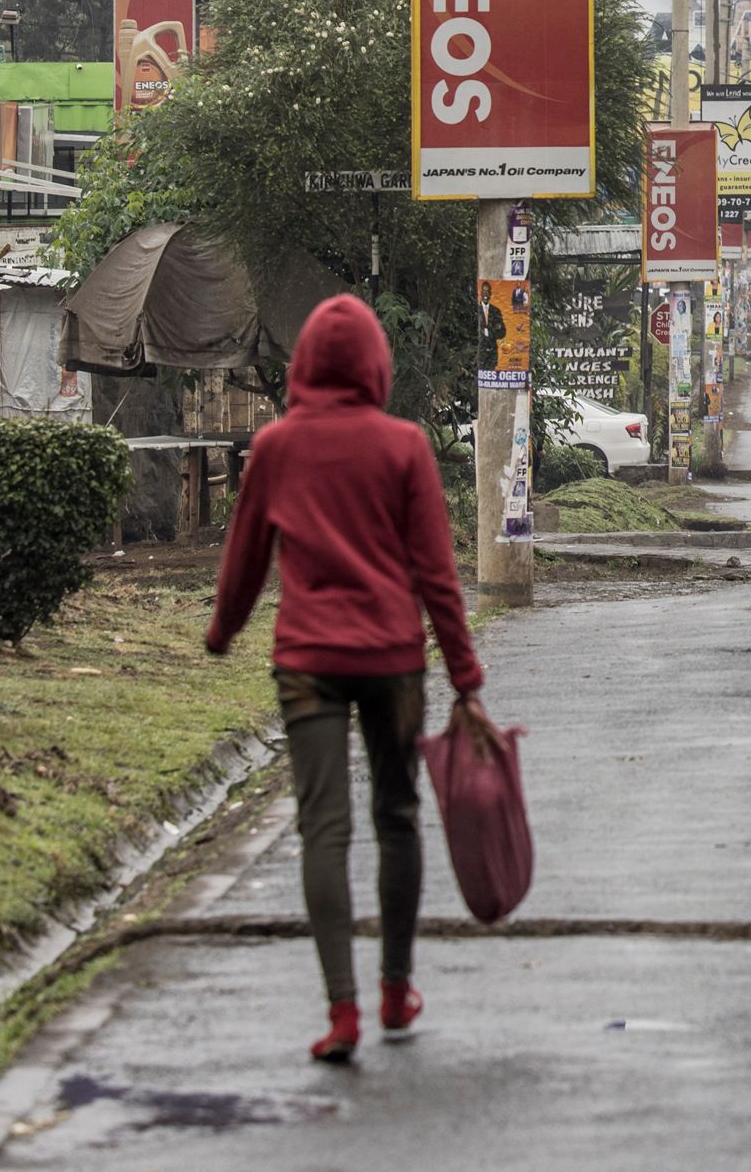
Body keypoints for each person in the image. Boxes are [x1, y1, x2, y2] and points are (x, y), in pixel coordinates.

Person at [205, 293, 491, 1064]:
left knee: (322, 829)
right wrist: (465, 674)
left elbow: (245, 558)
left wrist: (222, 630)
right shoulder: (403, 446)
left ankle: (342, 1012)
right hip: (393, 660)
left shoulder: (274, 446)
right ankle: (397, 988)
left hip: (306, 662)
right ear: (374, 363)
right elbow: (437, 572)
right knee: (396, 816)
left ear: (301, 364)